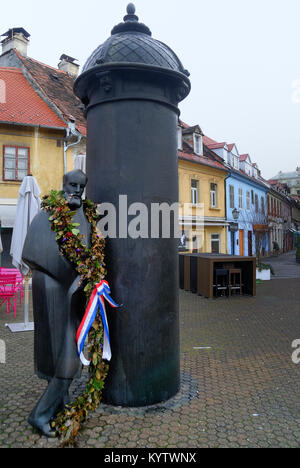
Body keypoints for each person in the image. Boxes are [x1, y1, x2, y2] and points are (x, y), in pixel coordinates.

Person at [22, 170, 91, 438]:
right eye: (72, 184)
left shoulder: (82, 215)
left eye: (81, 186)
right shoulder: (47, 215)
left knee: (63, 350)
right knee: (65, 358)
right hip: (52, 289)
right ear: (63, 185)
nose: (76, 189)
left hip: (70, 295)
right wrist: (72, 273)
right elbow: (32, 251)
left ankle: (58, 405)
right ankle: (39, 415)